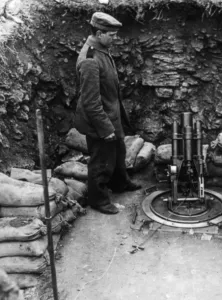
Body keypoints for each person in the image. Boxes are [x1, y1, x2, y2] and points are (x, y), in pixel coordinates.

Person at [75, 12, 141, 214]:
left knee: (119, 151)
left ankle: (120, 183)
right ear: (98, 33)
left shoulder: (102, 49)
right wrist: (105, 129)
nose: (115, 39)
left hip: (111, 113)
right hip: (99, 120)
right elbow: (91, 102)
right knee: (101, 161)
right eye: (111, 35)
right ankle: (99, 200)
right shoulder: (90, 60)